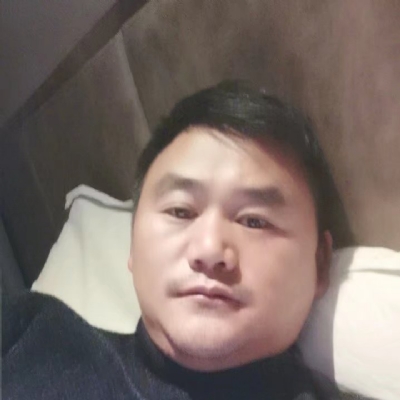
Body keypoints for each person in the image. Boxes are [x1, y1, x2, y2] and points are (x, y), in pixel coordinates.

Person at [2, 81, 365, 399]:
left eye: (254, 221)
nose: (209, 250)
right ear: (132, 245)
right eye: (180, 211)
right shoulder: (31, 337)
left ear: (320, 263)